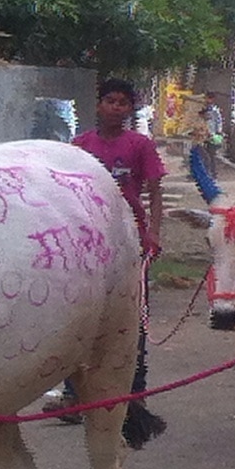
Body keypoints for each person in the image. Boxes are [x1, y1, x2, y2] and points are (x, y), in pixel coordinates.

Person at [63, 77, 168, 448]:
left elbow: (155, 193)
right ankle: (73, 395)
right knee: (76, 317)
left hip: (128, 245)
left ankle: (134, 395)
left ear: (131, 109)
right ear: (99, 104)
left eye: (123, 102)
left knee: (131, 321)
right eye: (110, 100)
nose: (116, 107)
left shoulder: (139, 146)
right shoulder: (80, 147)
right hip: (87, 245)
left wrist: (153, 233)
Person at [201, 91, 225, 177]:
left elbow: (218, 122)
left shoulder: (214, 110)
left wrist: (218, 131)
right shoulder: (203, 109)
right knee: (203, 154)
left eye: (208, 98)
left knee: (211, 155)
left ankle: (212, 172)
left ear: (212, 99)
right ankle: (206, 171)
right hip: (203, 134)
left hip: (212, 134)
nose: (206, 100)